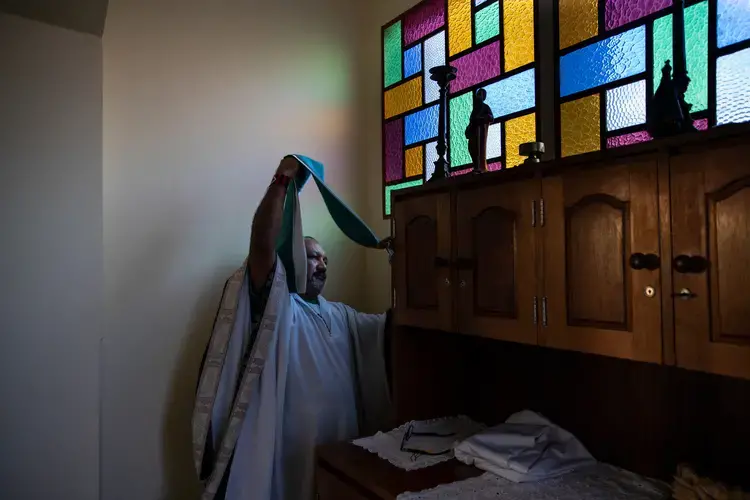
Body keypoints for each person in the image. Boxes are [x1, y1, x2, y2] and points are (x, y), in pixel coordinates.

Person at [193, 157, 394, 500]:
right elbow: (262, 247)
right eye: (313, 256)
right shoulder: (279, 308)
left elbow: (392, 329)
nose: (322, 264)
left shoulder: (343, 316)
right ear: (292, 260)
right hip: (290, 452)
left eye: (326, 260)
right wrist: (282, 182)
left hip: (340, 447)